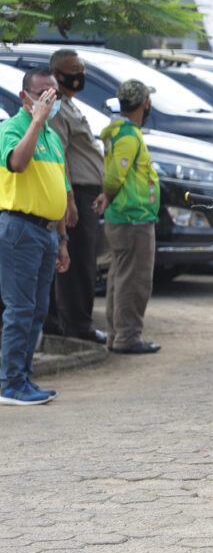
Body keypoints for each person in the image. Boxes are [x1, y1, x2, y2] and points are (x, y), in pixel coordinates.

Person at [0, 68, 70, 405]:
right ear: (24, 97)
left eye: (53, 94)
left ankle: (23, 378)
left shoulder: (53, 137)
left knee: (38, 310)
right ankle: (10, 383)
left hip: (46, 233)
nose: (49, 100)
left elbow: (55, 188)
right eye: (42, 93)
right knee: (20, 308)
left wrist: (62, 240)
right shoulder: (12, 129)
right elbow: (18, 163)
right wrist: (36, 121)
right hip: (20, 229)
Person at [91, 81, 161, 355]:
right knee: (134, 280)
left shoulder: (118, 132)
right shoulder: (129, 135)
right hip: (134, 216)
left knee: (120, 277)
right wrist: (107, 194)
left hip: (125, 216)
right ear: (144, 103)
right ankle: (128, 337)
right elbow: (114, 177)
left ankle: (116, 335)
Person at [45, 48, 107, 344]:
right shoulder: (57, 106)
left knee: (82, 259)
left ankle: (67, 322)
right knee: (78, 261)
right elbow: (60, 157)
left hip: (86, 193)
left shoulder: (69, 104)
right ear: (57, 74)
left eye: (82, 68)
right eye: (75, 69)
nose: (80, 75)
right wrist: (69, 200)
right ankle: (77, 325)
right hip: (76, 194)